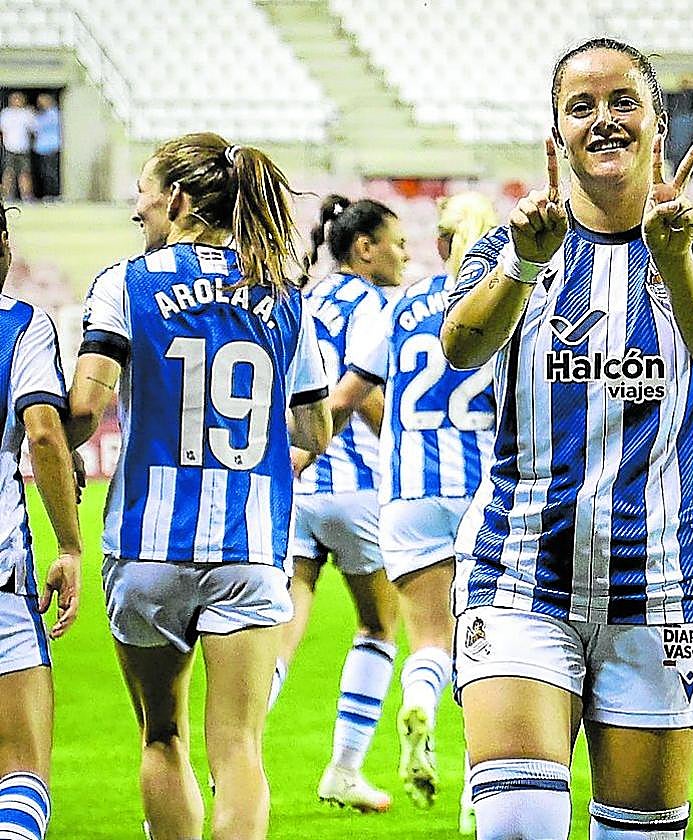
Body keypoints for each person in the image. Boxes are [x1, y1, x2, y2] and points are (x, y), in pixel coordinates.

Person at [439, 38, 693, 840]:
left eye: (623, 102)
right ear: (557, 133)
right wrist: (519, 262)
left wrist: (675, 260)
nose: (603, 120)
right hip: (519, 573)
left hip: (660, 582)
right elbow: (460, 347)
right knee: (516, 826)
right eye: (581, 106)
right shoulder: (513, 248)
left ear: (656, 122)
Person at [64, 133, 332, 840]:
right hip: (248, 546)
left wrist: (51, 449)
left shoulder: (128, 282)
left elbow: (87, 408)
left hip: (147, 547)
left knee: (162, 737)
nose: (138, 211)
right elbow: (315, 432)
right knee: (240, 748)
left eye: (144, 197)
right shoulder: (281, 293)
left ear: (177, 199)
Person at [331, 191, 498, 833]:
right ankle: (479, 796)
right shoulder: (511, 300)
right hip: (488, 496)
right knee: (495, 651)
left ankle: (420, 699)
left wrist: (295, 459)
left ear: (439, 244)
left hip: (407, 495)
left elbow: (347, 395)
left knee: (429, 640)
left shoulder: (402, 306)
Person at [273, 195, 405, 812]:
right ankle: (345, 769)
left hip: (295, 485)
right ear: (365, 248)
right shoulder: (377, 305)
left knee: (284, 624)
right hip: (354, 488)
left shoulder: (308, 296)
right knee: (379, 624)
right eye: (396, 243)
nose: (404, 254)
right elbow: (362, 392)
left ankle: (237, 754)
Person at [0, 198, 82, 840]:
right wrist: (70, 546)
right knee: (22, 769)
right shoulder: (21, 325)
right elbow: (45, 432)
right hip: (0, 563)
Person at [0, 92, 36, 202]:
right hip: (10, 148)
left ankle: (26, 196)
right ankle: (6, 196)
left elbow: (34, 129)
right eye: (15, 99)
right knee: (8, 173)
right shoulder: (6, 113)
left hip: (23, 148)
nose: (17, 101)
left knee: (24, 173)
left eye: (19, 99)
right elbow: (2, 130)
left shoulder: (27, 113)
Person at [32, 94, 60, 200]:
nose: (40, 104)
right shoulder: (39, 115)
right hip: (40, 149)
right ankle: (44, 194)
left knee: (52, 173)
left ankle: (53, 194)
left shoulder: (55, 113)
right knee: (43, 173)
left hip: (52, 147)